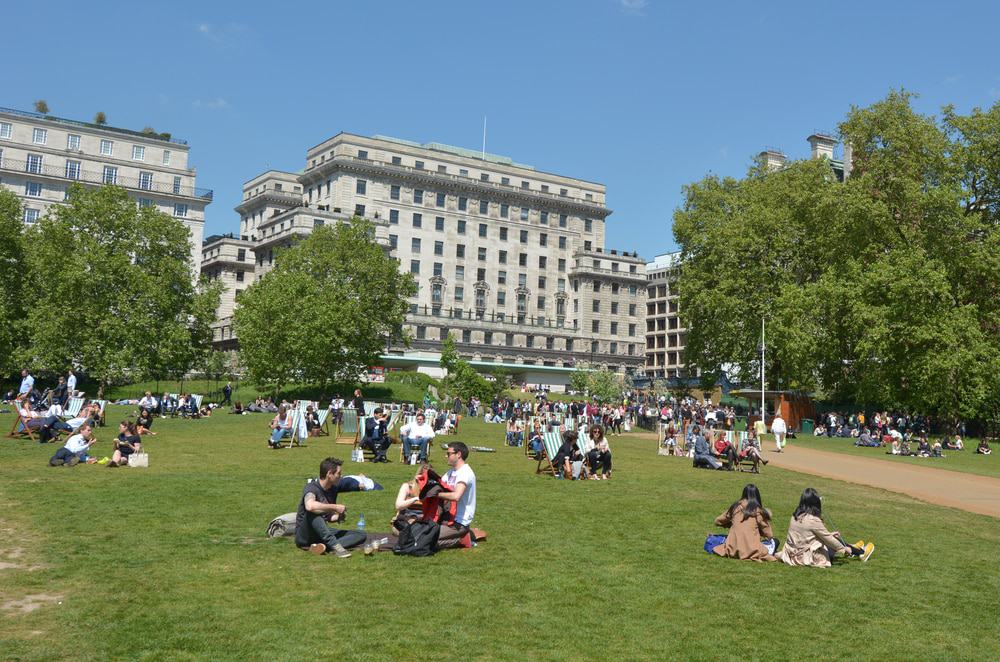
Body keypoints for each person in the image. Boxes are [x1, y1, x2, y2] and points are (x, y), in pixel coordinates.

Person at [776, 488, 874, 567]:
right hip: (804, 557)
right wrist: (844, 548)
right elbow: (828, 539)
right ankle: (860, 552)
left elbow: (807, 536)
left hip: (791, 554)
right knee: (832, 541)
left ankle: (853, 547)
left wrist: (831, 536)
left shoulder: (795, 516)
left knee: (832, 537)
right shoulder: (813, 520)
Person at [295, 457, 365, 558]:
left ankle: (323, 546)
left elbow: (328, 517)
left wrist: (338, 517)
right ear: (329, 474)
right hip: (305, 535)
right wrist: (335, 507)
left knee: (361, 534)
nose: (341, 476)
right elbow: (310, 506)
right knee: (314, 511)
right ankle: (335, 546)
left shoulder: (332, 489)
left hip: (321, 532)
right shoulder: (311, 488)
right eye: (338, 474)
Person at [712, 484, 776, 561]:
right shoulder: (758, 511)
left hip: (732, 549)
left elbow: (718, 521)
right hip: (752, 550)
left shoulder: (736, 507)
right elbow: (769, 534)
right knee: (775, 542)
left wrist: (731, 524)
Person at [436, 442, 477, 549]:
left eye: (448, 453)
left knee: (428, 539)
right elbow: (439, 484)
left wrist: (436, 495)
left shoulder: (465, 473)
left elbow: (456, 496)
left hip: (459, 522)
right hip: (447, 517)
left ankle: (461, 540)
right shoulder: (451, 472)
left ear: (458, 454)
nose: (446, 456)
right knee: (423, 533)